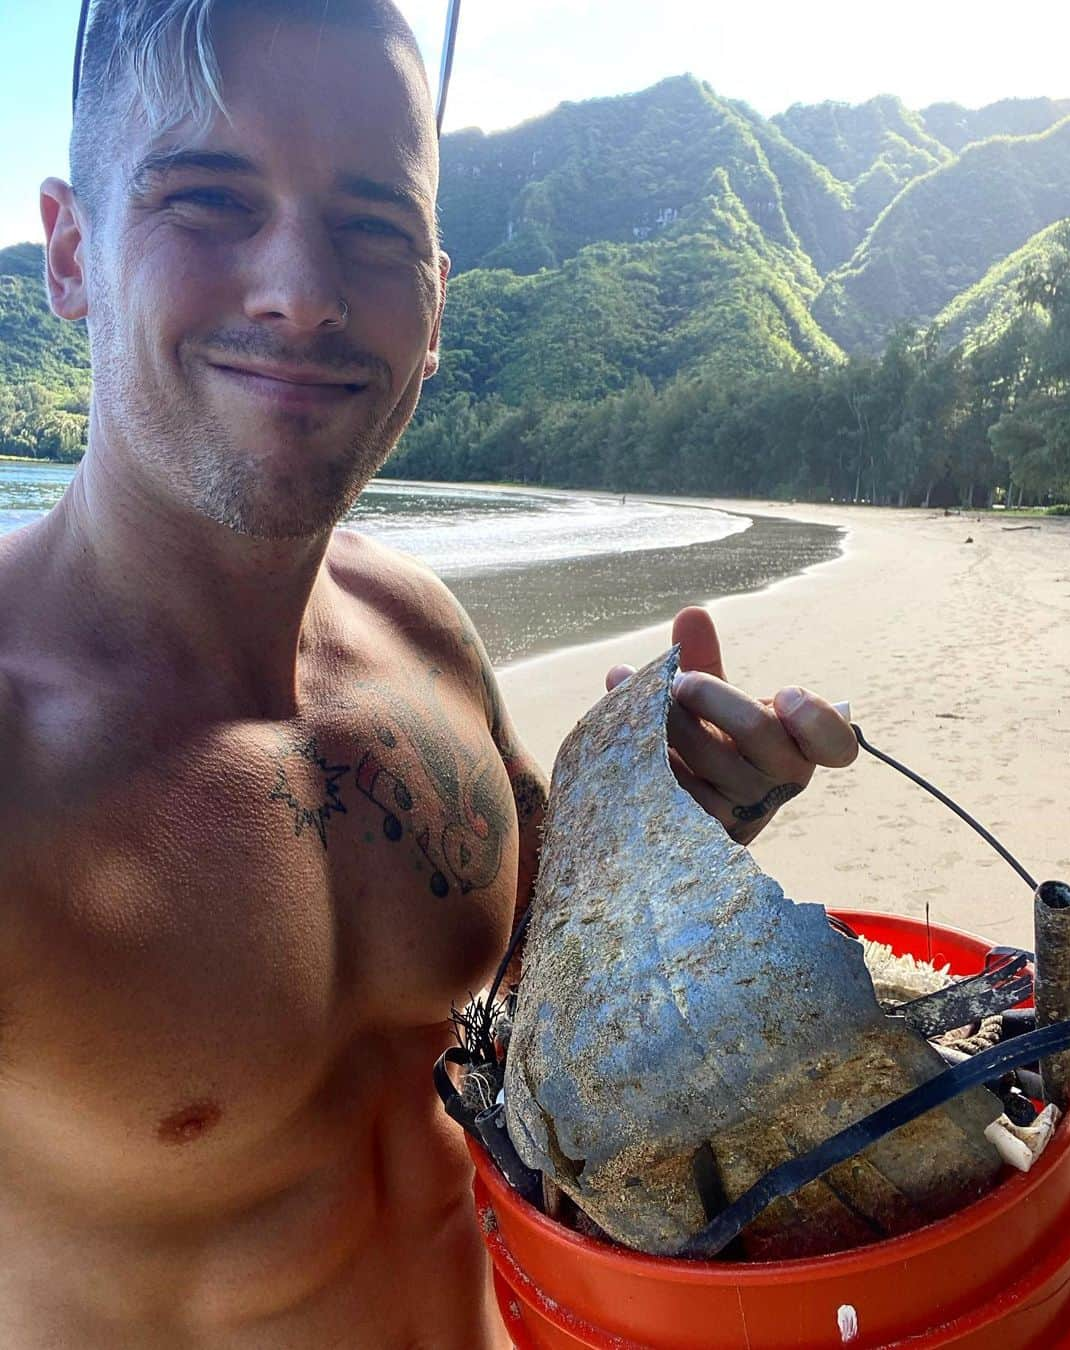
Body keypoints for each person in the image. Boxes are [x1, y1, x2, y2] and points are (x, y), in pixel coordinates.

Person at [3, 1, 857, 1345]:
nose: (304, 288)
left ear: (436, 300)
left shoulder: (424, 637)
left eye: (374, 227)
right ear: (68, 250)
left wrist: (679, 832)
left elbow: (523, 988)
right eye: (210, 198)